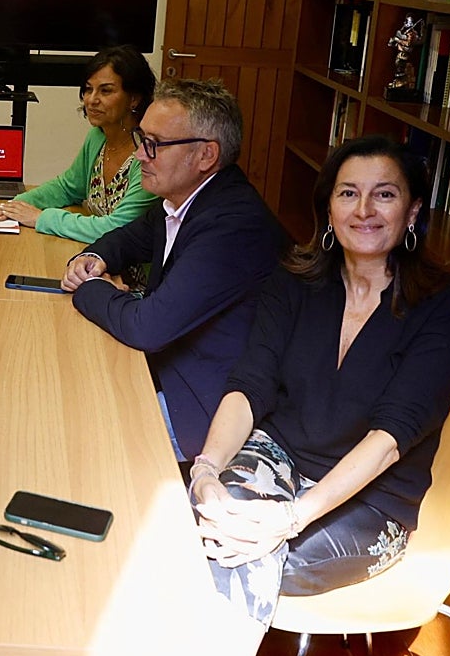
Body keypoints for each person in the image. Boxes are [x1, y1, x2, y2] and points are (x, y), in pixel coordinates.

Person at [188, 135, 450, 648]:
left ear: (412, 211)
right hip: (277, 457)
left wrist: (290, 516)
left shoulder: (443, 306)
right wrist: (205, 471)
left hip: (373, 503)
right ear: (328, 208)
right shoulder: (294, 282)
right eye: (347, 194)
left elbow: (392, 436)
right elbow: (248, 385)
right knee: (200, 522)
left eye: (384, 195)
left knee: (231, 554)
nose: (363, 210)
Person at [61, 79, 285, 460]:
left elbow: (148, 327)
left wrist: (88, 287)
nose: (140, 156)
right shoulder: (185, 198)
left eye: (155, 144)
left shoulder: (234, 224)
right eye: (140, 139)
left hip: (203, 407)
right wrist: (96, 258)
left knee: (74, 436)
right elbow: (132, 236)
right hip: (170, 369)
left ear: (205, 156)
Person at [0, 46, 158, 277]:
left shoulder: (148, 154)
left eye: (106, 91)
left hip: (133, 279)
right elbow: (68, 187)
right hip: (93, 260)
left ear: (134, 98)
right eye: (88, 90)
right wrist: (14, 205)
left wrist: (40, 217)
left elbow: (118, 228)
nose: (92, 100)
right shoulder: (98, 137)